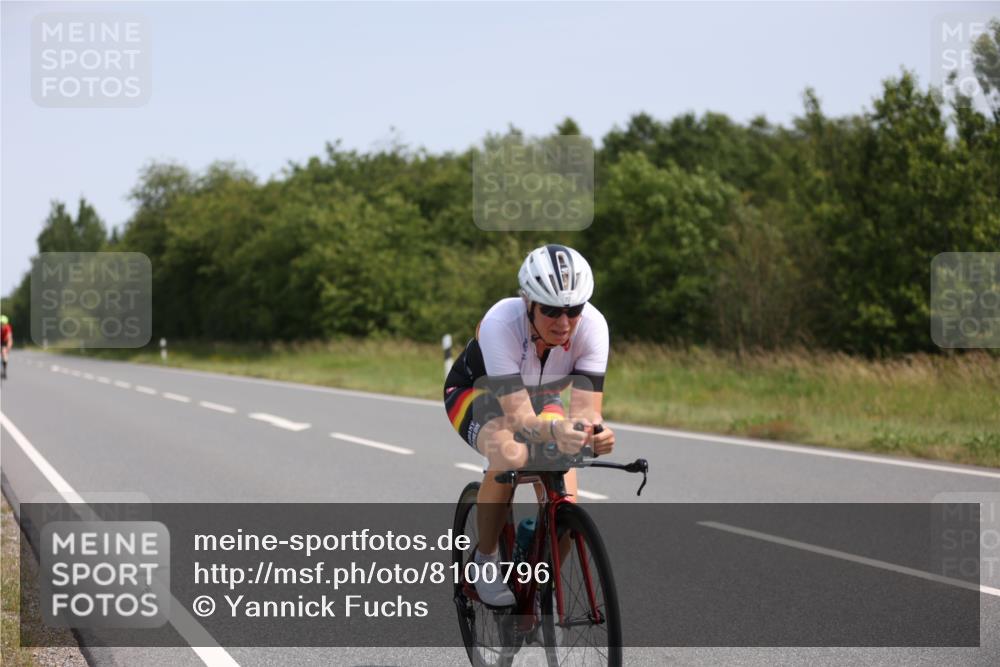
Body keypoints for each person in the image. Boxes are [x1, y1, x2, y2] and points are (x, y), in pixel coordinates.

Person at [443, 244, 615, 606]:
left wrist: (593, 433)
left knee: (565, 487)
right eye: (551, 310)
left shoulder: (594, 327)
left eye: (573, 310)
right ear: (528, 302)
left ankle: (538, 578)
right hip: (478, 393)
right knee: (510, 453)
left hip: (541, 396)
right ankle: (484, 561)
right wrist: (557, 432)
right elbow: (520, 418)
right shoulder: (500, 323)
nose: (564, 322)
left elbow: (586, 410)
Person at [1, 315, 12, 380]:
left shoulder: (8, 328)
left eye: (3, 324)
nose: (2, 325)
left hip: (5, 341)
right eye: (1, 323)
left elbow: (10, 339)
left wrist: (8, 348)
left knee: (4, 356)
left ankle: (4, 371)